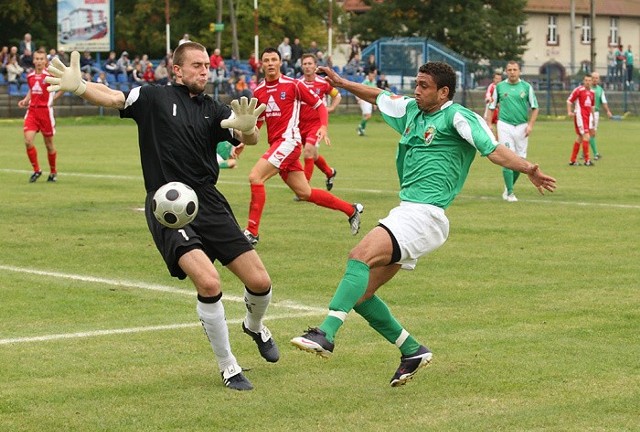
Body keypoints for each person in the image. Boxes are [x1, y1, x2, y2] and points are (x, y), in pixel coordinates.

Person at [290, 61, 556, 387]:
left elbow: (494, 150)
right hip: (408, 213)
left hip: (426, 215)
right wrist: (343, 82)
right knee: (362, 294)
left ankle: (325, 333)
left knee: (359, 255)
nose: (417, 90)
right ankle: (412, 351)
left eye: (424, 85)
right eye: (416, 83)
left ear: (443, 91)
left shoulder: (457, 116)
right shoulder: (412, 110)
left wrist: (528, 168)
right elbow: (379, 96)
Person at [45, 43, 279, 391]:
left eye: (206, 65)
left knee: (260, 283)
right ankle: (228, 365)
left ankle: (255, 325)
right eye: (197, 65)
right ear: (177, 70)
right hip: (169, 207)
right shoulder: (153, 97)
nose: (205, 70)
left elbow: (248, 134)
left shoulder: (212, 108)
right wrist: (79, 86)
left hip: (210, 203)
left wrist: (248, 128)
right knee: (210, 282)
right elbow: (113, 97)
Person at [244, 47, 364, 245]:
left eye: (274, 59)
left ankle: (252, 233)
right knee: (304, 193)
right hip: (277, 144)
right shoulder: (258, 91)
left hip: (289, 142)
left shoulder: (293, 85)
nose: (271, 63)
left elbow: (319, 105)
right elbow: (256, 124)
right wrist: (240, 142)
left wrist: (323, 127)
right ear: (262, 64)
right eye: (267, 60)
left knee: (255, 177)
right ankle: (351, 210)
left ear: (280, 62)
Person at [486, 61, 538, 202]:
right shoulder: (500, 87)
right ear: (506, 71)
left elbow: (535, 107)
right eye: (509, 69)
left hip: (522, 126)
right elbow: (491, 107)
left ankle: (508, 186)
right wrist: (490, 124)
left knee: (520, 161)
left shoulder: (527, 87)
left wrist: (530, 125)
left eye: (515, 69)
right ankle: (510, 193)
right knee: (507, 158)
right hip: (505, 125)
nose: (512, 72)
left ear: (519, 71)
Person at [17, 49, 64, 182]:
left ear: (45, 61)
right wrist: (26, 100)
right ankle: (37, 170)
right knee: (28, 141)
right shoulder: (30, 76)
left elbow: (63, 87)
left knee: (49, 145)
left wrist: (53, 100)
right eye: (36, 59)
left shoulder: (49, 76)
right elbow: (32, 90)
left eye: (41, 59)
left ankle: (53, 172)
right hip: (32, 112)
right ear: (33, 61)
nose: (39, 61)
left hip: (45, 113)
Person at [298, 53, 342, 189]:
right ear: (301, 66)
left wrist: (332, 108)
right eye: (304, 64)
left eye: (310, 63)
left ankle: (304, 187)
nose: (307, 66)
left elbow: (337, 95)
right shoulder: (297, 84)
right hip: (300, 125)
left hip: (316, 125)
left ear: (315, 66)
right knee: (313, 155)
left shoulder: (323, 83)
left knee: (308, 151)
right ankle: (329, 172)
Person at [567, 74, 595, 167]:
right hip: (580, 116)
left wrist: (593, 118)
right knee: (586, 136)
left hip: (587, 117)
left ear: (591, 81)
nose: (588, 82)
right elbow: (569, 101)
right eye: (586, 80)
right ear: (583, 81)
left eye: (589, 80)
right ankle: (587, 160)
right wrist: (569, 112)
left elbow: (592, 106)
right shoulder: (578, 90)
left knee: (580, 137)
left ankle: (572, 160)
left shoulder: (592, 92)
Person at [587, 72, 612, 161]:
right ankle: (595, 154)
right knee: (591, 133)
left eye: (596, 78)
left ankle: (584, 152)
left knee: (591, 133)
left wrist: (608, 111)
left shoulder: (600, 90)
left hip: (596, 113)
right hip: (587, 113)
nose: (594, 80)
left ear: (599, 79)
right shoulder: (586, 89)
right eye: (593, 78)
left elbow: (604, 102)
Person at [356, 67, 378, 136]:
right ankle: (360, 127)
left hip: (369, 101)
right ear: (369, 75)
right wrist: (359, 99)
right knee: (368, 115)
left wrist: (374, 104)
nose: (373, 77)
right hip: (364, 100)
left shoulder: (373, 82)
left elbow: (375, 92)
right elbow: (359, 90)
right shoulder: (365, 82)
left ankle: (361, 131)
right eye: (372, 75)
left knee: (365, 116)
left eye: (374, 76)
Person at [483, 71, 503, 139]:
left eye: (499, 79)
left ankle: (498, 144)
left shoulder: (502, 88)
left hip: (499, 112)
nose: (498, 80)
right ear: (494, 79)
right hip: (490, 112)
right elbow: (488, 97)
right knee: (488, 131)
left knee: (500, 131)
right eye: (496, 78)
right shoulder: (491, 86)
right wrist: (489, 100)